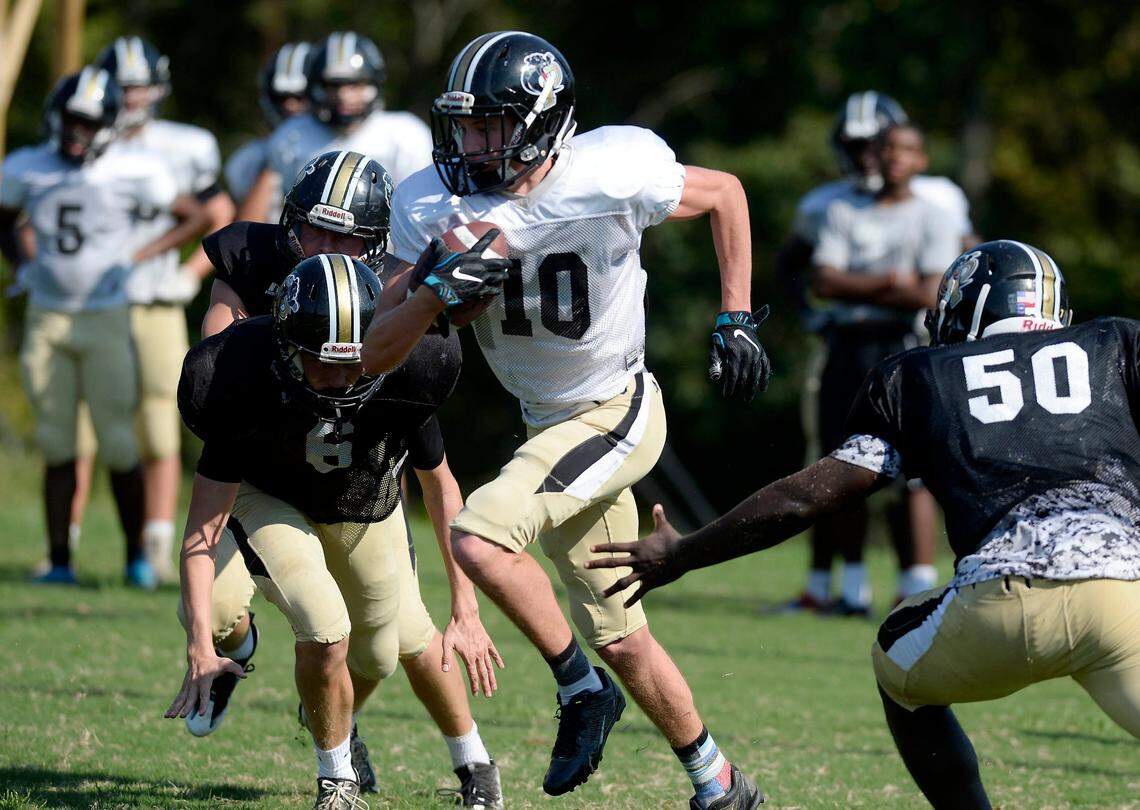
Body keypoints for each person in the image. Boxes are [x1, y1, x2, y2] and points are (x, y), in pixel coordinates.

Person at [361, 31, 769, 808]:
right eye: (465, 124)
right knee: (622, 634)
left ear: (544, 122)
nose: (473, 144)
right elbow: (377, 349)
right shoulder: (431, 204)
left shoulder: (611, 171)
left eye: (492, 125)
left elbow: (726, 193)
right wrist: (429, 294)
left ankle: (580, 691)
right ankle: (719, 784)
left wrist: (737, 316)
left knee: (479, 536)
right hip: (545, 425)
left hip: (617, 405)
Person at [588, 240, 1140, 809]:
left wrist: (684, 553)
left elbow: (807, 498)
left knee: (894, 659)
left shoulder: (921, 376)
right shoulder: (1118, 344)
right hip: (1126, 601)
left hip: (1007, 604)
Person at [193, 150, 505, 807]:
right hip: (267, 482)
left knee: (392, 647)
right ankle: (316, 740)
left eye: (348, 238)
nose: (326, 248)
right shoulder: (251, 299)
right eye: (316, 230)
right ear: (289, 223)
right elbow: (217, 355)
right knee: (247, 614)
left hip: (359, 492)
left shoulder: (404, 337)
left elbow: (437, 475)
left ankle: (439, 752)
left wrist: (467, 605)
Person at [0, 67, 205, 587]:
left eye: (89, 123)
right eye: (71, 121)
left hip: (107, 317)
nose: (77, 132)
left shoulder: (135, 170)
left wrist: (141, 254)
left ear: (109, 126)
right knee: (57, 442)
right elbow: (3, 218)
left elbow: (195, 214)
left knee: (118, 441)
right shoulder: (29, 167)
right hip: (49, 316)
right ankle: (59, 560)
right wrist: (23, 264)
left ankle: (137, 555)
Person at [778, 91, 976, 613]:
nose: (873, 157)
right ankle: (843, 587)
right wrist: (819, 307)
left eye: (882, 145)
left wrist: (867, 286)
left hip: (909, 341)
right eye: (862, 146)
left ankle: (915, 582)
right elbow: (805, 272)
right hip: (845, 342)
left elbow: (954, 276)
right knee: (836, 460)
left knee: (912, 466)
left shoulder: (939, 202)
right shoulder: (833, 205)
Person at [86, 36, 234, 582]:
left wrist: (188, 274)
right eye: (121, 87)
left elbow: (219, 212)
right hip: (88, 304)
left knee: (159, 416)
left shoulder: (183, 145)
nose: (130, 98)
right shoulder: (83, 137)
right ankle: (64, 545)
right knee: (82, 428)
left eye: (138, 85)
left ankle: (154, 543)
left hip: (151, 298)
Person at [242, 31, 432, 222]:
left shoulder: (405, 134)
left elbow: (420, 213)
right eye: (333, 86)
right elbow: (260, 215)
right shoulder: (292, 135)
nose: (344, 96)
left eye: (355, 85)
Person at [224, 42, 311, 219]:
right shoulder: (249, 159)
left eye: (300, 96)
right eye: (282, 97)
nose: (291, 105)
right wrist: (274, 161)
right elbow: (245, 226)